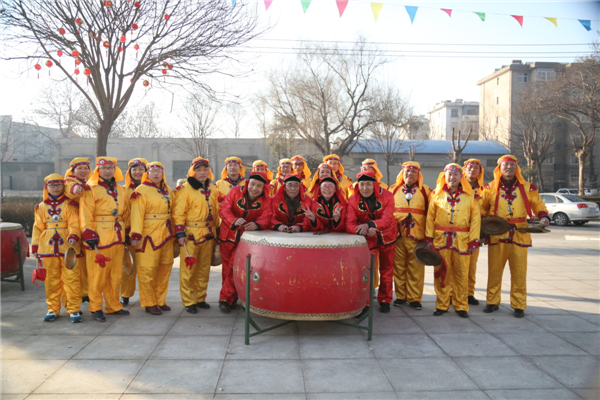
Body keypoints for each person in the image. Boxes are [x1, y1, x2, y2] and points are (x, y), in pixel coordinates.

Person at [480, 155, 550, 318]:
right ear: (499, 168)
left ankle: (519, 305)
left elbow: (538, 204)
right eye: (506, 165)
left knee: (519, 272)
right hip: (497, 234)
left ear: (516, 167)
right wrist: (483, 228)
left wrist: (544, 216)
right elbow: (481, 208)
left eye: (512, 165)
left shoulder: (528, 187)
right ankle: (492, 302)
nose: (509, 167)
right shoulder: (488, 188)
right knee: (494, 271)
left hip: (520, 234)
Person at [425, 163, 480, 318]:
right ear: (444, 176)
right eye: (449, 174)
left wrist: (473, 240)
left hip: (462, 241)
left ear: (461, 177)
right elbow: (430, 218)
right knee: (441, 272)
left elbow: (476, 220)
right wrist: (429, 238)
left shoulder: (471, 196)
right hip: (440, 240)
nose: (452, 177)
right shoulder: (436, 195)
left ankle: (461, 305)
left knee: (461, 274)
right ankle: (441, 305)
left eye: (456, 174)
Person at [80, 157, 131, 322]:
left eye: (110, 168)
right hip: (99, 237)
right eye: (104, 168)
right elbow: (85, 212)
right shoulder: (90, 188)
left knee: (115, 274)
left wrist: (127, 231)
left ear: (115, 169)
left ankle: (113, 305)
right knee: (97, 275)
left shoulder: (120, 189)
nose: (107, 171)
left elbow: (126, 212)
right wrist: (88, 232)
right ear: (98, 170)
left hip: (118, 236)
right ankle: (95, 307)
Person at [218, 171, 273, 313]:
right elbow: (224, 209)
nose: (254, 188)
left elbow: (267, 217)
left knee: (235, 267)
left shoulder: (267, 200)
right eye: (253, 184)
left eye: (259, 186)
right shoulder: (235, 192)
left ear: (263, 188)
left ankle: (226, 298)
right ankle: (231, 298)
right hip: (228, 235)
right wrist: (233, 220)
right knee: (226, 269)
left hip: (246, 240)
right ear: (248, 183)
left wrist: (257, 224)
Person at [172, 157, 220, 314]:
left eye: (205, 170)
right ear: (192, 172)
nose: (202, 173)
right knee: (189, 269)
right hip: (191, 235)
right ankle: (189, 300)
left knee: (204, 269)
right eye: (198, 170)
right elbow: (178, 213)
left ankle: (200, 298)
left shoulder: (213, 189)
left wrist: (218, 230)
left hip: (209, 234)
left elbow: (217, 211)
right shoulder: (184, 189)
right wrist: (180, 233)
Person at [32, 174, 82, 323]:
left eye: (58, 185)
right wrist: (35, 246)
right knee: (51, 280)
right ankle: (53, 309)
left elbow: (74, 223)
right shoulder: (41, 206)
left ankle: (74, 309)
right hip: (47, 248)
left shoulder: (70, 204)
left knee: (72, 279)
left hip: (68, 247)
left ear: (63, 187)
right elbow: (37, 227)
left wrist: (74, 235)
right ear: (46, 188)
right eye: (51, 185)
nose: (55, 188)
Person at [346, 171, 398, 313]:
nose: (365, 188)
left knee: (387, 270)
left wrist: (369, 225)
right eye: (362, 184)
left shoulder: (388, 195)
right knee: (367, 271)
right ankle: (366, 302)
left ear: (375, 184)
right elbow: (349, 224)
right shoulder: (353, 199)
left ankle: (385, 300)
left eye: (368, 184)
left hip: (388, 236)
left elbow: (387, 220)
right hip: (368, 238)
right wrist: (363, 230)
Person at [129, 162, 174, 315]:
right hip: (148, 235)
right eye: (152, 171)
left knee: (165, 267)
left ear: (163, 173)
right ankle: (149, 302)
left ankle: (160, 299)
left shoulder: (167, 190)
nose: (155, 174)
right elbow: (136, 214)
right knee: (147, 269)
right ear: (147, 174)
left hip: (166, 234)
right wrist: (136, 234)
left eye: (158, 171)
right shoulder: (141, 190)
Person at [390, 162, 431, 310]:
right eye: (407, 171)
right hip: (398, 235)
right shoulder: (393, 189)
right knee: (398, 267)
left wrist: (429, 236)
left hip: (416, 235)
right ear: (402, 173)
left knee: (416, 268)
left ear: (418, 174)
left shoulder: (426, 191)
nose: (410, 174)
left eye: (413, 172)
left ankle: (414, 298)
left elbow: (431, 214)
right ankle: (401, 296)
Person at [63, 157, 91, 304]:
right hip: (73, 225)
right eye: (79, 168)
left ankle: (85, 292)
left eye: (86, 168)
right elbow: (71, 189)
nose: (83, 171)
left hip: (87, 224)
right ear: (73, 170)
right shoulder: (70, 182)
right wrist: (76, 189)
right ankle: (75, 296)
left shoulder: (89, 183)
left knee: (86, 262)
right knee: (75, 262)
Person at [121, 158, 148, 306]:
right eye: (134, 169)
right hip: (129, 234)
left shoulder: (152, 189)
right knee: (127, 266)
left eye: (141, 169)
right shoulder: (123, 190)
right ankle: (125, 294)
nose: (138, 172)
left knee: (147, 268)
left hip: (149, 234)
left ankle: (149, 297)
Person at [463, 158, 485, 305]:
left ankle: (469, 293)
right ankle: (452, 293)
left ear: (480, 172)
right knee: (455, 266)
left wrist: (483, 233)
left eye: (476, 168)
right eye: (469, 168)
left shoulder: (485, 190)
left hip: (476, 232)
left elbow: (489, 210)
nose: (472, 170)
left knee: (471, 265)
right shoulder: (457, 187)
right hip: (457, 231)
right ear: (464, 171)